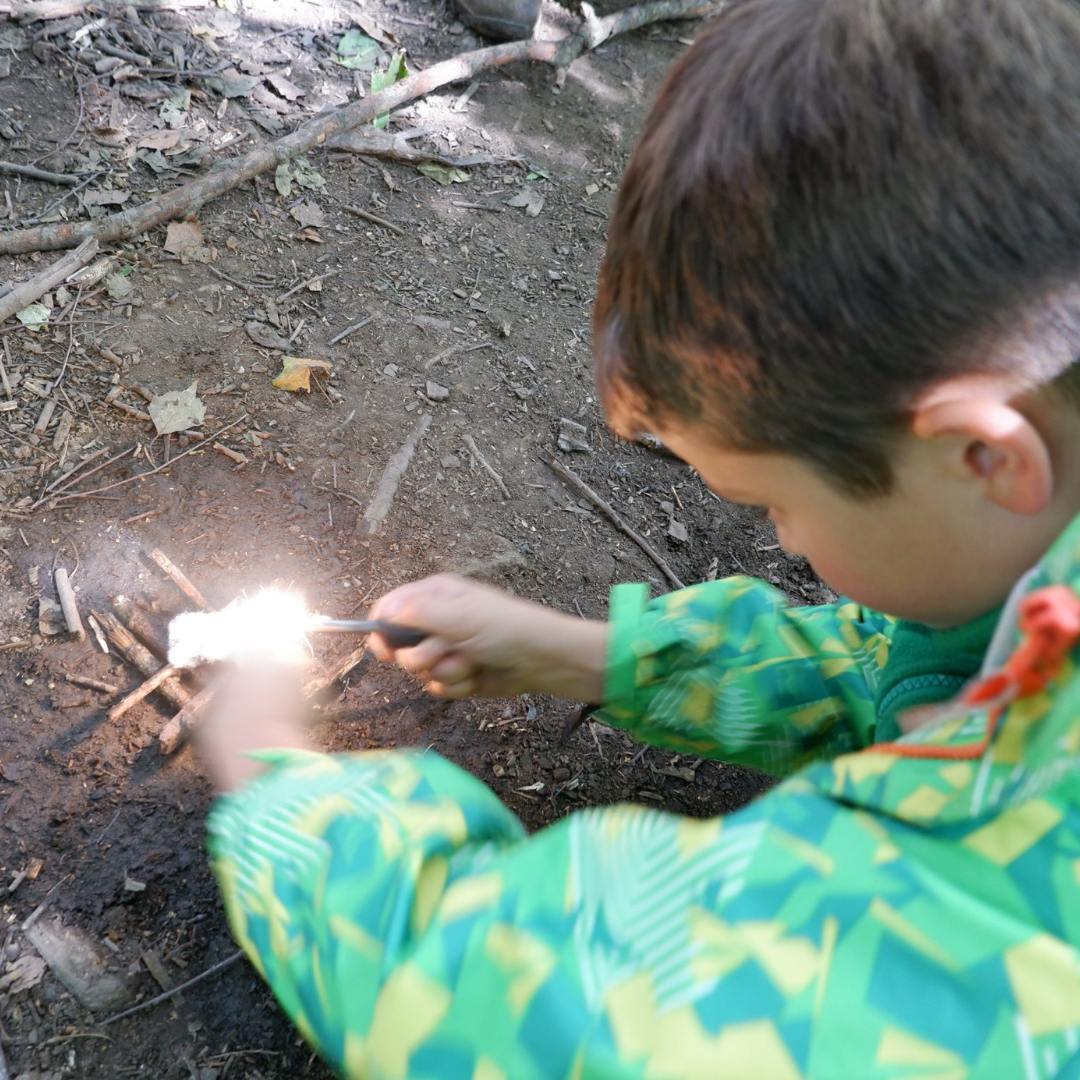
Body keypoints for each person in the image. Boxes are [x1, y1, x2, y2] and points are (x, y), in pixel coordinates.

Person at [200, 1, 1080, 1076]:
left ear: (987, 457)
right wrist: (604, 658)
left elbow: (544, 1005)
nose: (788, 548)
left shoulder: (1002, 910)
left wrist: (278, 788)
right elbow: (946, 646)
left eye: (776, 508)